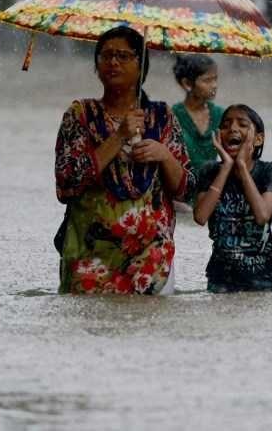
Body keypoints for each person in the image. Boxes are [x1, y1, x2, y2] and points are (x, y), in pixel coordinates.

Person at [54, 26, 194, 294]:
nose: (113, 62)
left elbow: (186, 189)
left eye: (122, 55)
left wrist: (164, 156)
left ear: (141, 65)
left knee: (149, 328)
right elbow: (67, 183)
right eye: (105, 56)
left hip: (152, 255)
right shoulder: (80, 114)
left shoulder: (162, 116)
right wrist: (118, 136)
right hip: (90, 252)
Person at [193, 105, 272, 292]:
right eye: (226, 125)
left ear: (258, 139)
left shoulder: (269, 171)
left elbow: (262, 215)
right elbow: (201, 216)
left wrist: (241, 166)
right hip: (220, 280)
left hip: (261, 280)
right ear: (219, 136)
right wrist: (226, 167)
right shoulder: (209, 171)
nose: (232, 128)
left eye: (242, 124)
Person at [171, 54, 224, 203]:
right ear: (187, 84)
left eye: (215, 79)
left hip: (210, 194)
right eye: (207, 80)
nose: (214, 85)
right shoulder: (172, 116)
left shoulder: (220, 115)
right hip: (181, 197)